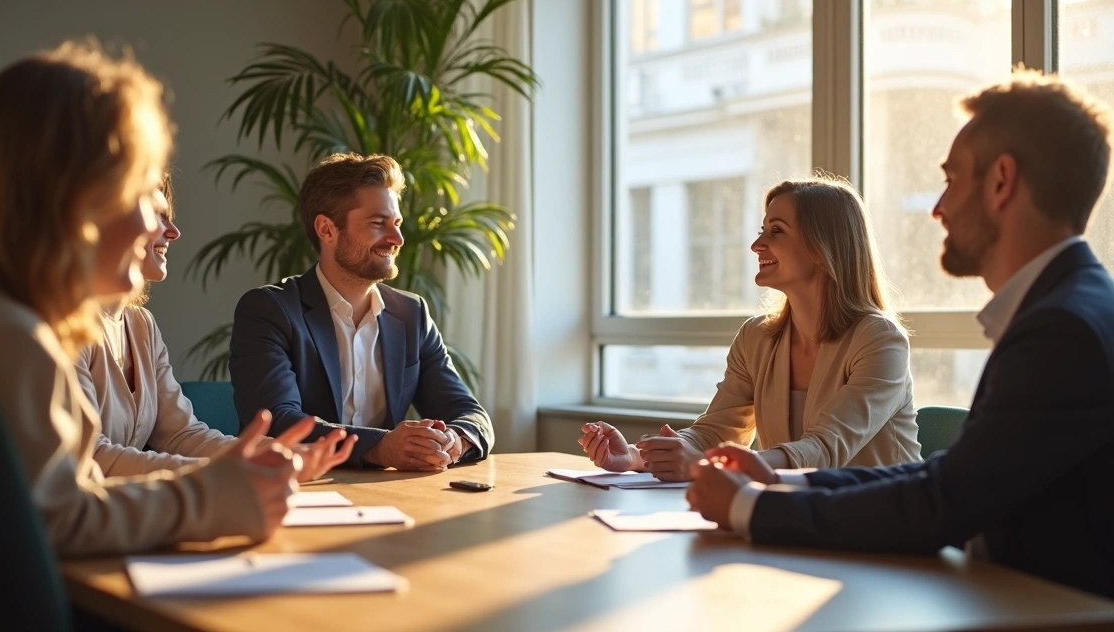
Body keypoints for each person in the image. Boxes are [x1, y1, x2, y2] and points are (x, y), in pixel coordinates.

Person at [686, 69, 1114, 599]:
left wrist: (749, 505)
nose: (939, 208)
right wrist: (780, 480)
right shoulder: (1068, 308)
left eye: (952, 180)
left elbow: (942, 503)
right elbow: (944, 479)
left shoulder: (1062, 330)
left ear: (1002, 182)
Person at [0, 42, 307, 556]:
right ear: (67, 196)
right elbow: (58, 521)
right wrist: (211, 499)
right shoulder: (10, 338)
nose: (151, 221)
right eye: (139, 192)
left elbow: (68, 491)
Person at [578, 177, 921, 481]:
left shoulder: (880, 339)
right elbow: (714, 433)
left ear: (822, 248)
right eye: (762, 231)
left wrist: (707, 466)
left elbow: (825, 449)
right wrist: (637, 457)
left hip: (881, 531)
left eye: (776, 231)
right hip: (799, 521)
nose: (757, 245)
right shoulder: (757, 337)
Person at [78, 172, 355, 479]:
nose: (173, 232)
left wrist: (272, 452)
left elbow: (180, 435)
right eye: (157, 215)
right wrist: (231, 471)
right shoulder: (65, 326)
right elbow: (92, 457)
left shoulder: (142, 325)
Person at [229, 152, 494, 470]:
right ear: (327, 230)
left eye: (396, 223)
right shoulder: (270, 310)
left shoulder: (412, 314)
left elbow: (469, 413)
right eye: (377, 224)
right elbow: (278, 424)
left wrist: (454, 440)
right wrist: (381, 447)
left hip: (387, 496)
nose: (397, 239)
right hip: (294, 492)